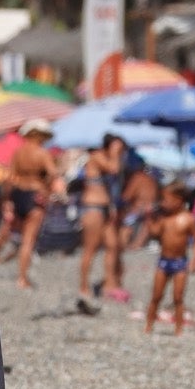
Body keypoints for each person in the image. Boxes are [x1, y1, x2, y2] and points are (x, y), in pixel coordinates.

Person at [0, 119, 57, 289]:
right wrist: (45, 189)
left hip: (18, 193)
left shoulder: (18, 152)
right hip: (34, 193)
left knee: (12, 230)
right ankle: (22, 278)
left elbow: (9, 178)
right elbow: (53, 174)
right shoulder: (42, 153)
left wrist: (7, 200)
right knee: (28, 239)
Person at [76, 134, 127, 314]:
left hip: (104, 207)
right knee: (90, 249)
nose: (119, 152)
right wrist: (115, 154)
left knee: (113, 245)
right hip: (92, 207)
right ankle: (84, 286)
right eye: (116, 147)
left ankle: (109, 283)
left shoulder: (106, 158)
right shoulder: (97, 156)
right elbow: (113, 169)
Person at [145, 183, 195, 335]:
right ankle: (149, 325)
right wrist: (150, 218)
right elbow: (155, 232)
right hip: (163, 261)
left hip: (180, 262)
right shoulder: (164, 218)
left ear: (179, 200)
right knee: (156, 295)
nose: (163, 203)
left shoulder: (188, 219)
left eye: (166, 200)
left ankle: (178, 328)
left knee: (178, 297)